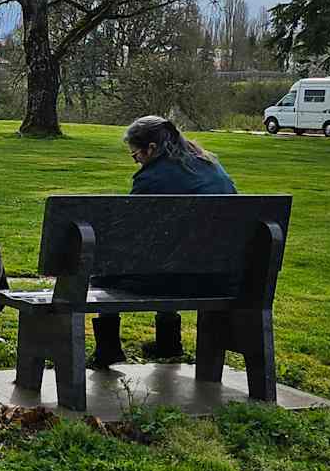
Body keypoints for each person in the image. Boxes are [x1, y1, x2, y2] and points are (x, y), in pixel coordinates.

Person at [90, 115, 238, 368]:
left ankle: (109, 348)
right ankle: (168, 343)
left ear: (151, 149)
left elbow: (130, 233)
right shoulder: (212, 166)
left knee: (105, 268)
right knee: (171, 256)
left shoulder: (151, 179)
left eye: (135, 155)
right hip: (219, 278)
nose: (137, 162)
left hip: (173, 280)